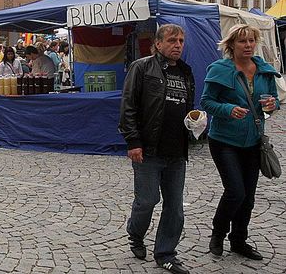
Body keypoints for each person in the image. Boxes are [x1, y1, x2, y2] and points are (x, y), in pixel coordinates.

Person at [118, 24, 195, 274]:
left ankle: (165, 253)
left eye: (181, 41)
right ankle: (135, 233)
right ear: (158, 43)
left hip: (176, 150)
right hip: (149, 150)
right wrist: (133, 142)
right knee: (147, 200)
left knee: (175, 207)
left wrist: (195, 124)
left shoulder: (186, 71)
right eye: (173, 40)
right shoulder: (142, 67)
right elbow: (128, 106)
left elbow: (185, 108)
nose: (178, 45)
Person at [201, 24, 279, 261]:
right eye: (242, 41)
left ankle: (239, 241)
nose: (247, 46)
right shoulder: (219, 70)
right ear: (231, 45)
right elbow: (206, 101)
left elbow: (273, 101)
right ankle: (218, 234)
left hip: (253, 140)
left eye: (251, 41)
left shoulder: (264, 71)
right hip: (224, 140)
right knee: (235, 191)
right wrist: (227, 109)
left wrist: (272, 105)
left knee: (249, 195)